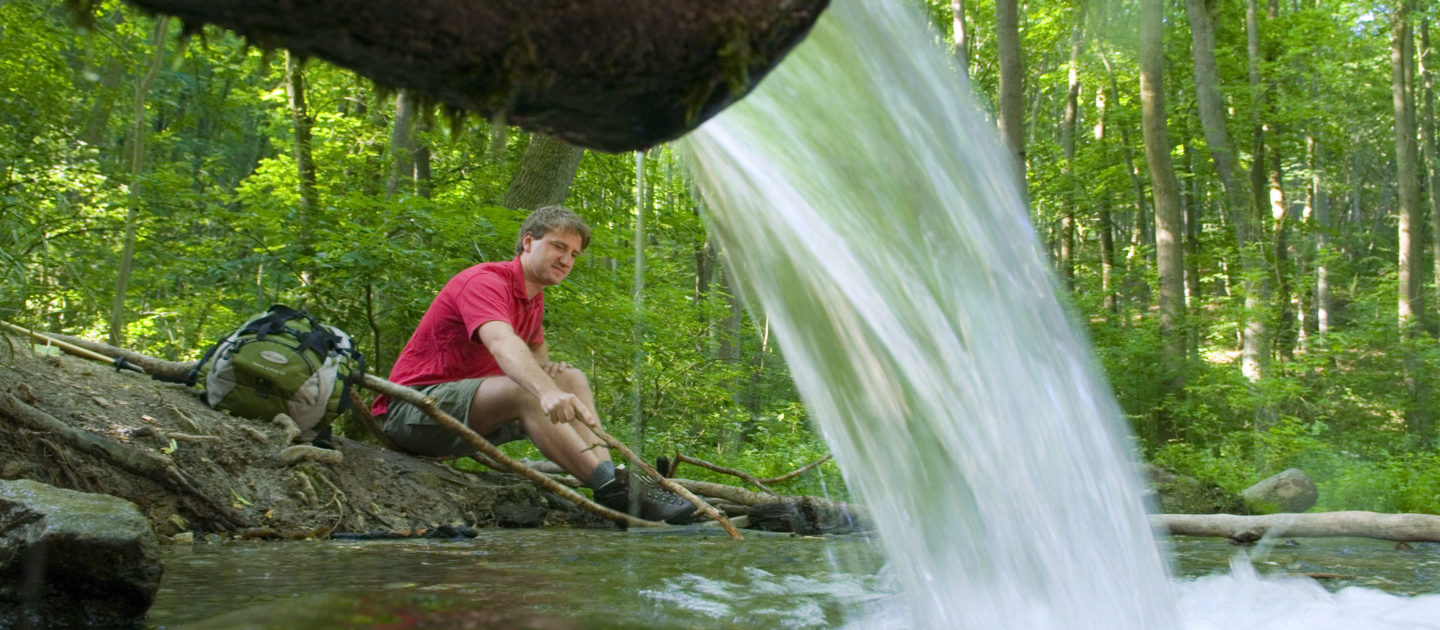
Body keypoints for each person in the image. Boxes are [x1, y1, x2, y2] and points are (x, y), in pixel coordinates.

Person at [371, 206, 694, 524]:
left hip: (461, 418)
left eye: (574, 254)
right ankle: (612, 490)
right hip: (412, 414)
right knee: (530, 392)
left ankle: (616, 480)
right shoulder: (485, 282)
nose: (566, 260)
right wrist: (544, 390)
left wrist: (552, 377)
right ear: (528, 242)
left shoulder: (532, 298)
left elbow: (537, 353)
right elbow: (502, 342)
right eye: (558, 246)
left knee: (570, 377)